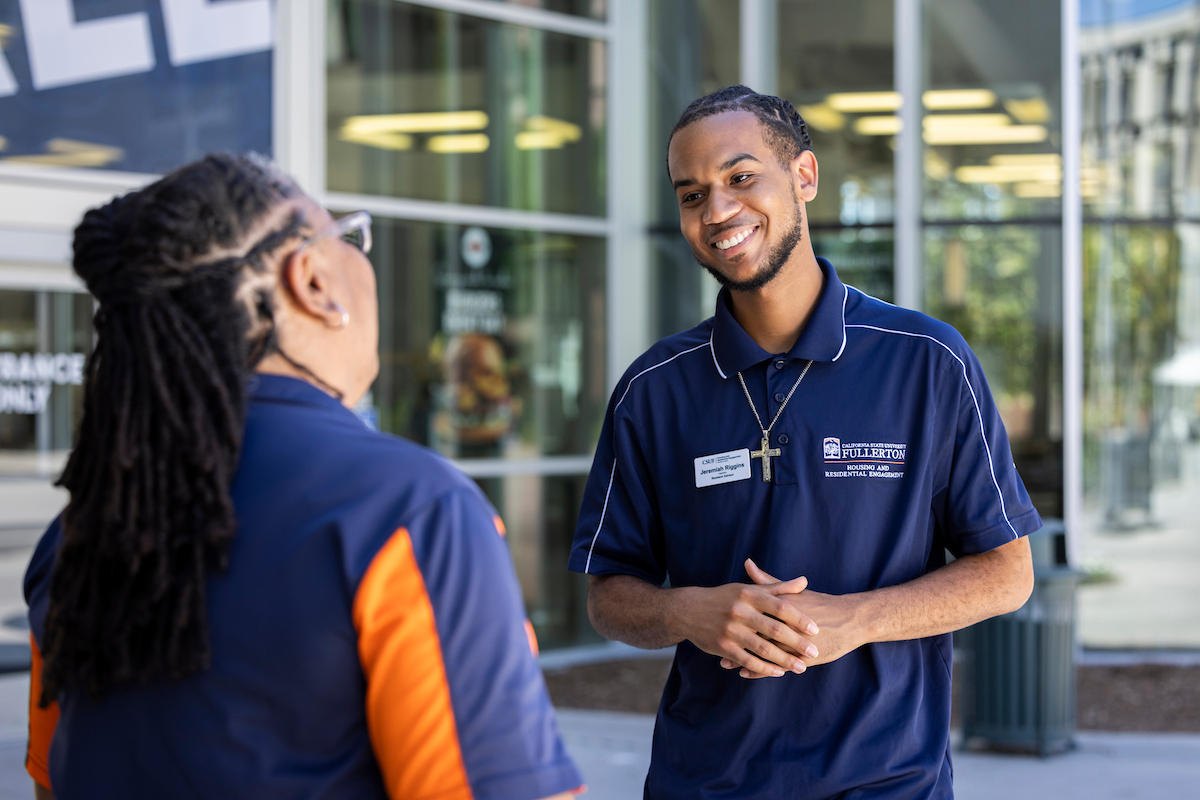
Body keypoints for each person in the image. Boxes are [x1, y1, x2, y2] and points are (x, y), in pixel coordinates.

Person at [24, 153, 583, 800]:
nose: (360, 258)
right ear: (311, 279)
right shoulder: (410, 510)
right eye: (348, 236)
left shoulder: (81, 532)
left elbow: (54, 785)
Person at [568, 86, 1040, 799]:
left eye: (740, 177)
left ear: (805, 177)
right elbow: (608, 594)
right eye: (691, 195)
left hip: (889, 782)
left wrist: (854, 619)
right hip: (704, 783)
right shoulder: (654, 390)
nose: (718, 210)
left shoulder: (926, 362)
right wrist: (683, 612)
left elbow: (1008, 572)